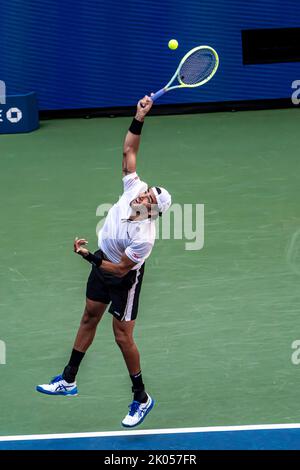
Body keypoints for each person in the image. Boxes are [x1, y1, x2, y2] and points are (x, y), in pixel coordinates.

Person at [36, 95, 172, 428]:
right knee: (88, 317)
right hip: (102, 263)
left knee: (122, 336)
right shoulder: (133, 187)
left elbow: (120, 269)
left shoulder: (144, 237)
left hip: (122, 278)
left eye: (150, 199)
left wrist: (88, 257)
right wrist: (139, 117)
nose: (143, 194)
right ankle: (68, 380)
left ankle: (141, 397)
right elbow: (129, 152)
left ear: (153, 211)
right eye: (147, 191)